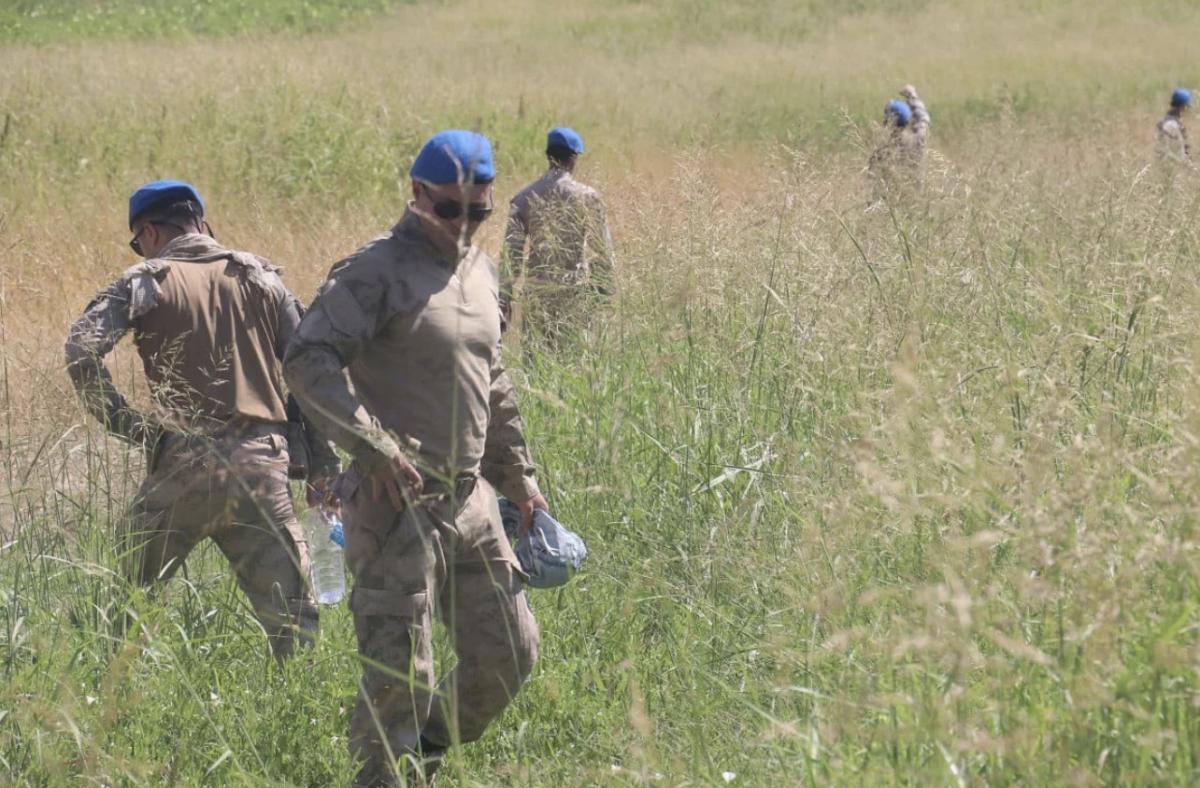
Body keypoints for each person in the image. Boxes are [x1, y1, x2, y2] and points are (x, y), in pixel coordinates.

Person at [283, 130, 547, 786]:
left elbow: (492, 379)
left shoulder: (480, 272)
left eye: (478, 212)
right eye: (449, 209)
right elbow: (307, 358)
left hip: (473, 502)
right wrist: (373, 448)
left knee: (510, 655)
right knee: (400, 682)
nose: (463, 224)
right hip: (397, 507)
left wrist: (518, 480)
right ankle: (388, 774)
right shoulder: (375, 272)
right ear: (417, 194)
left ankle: (421, 756)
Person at [64, 179, 337, 660]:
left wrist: (134, 427)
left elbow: (81, 351)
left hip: (182, 464)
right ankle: (297, 698)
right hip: (261, 466)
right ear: (201, 224)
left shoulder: (145, 281)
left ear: (149, 232)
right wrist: (322, 466)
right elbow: (310, 371)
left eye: (138, 241)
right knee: (294, 622)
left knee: (123, 608)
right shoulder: (262, 279)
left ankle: (109, 694)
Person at [503, 126, 615, 333]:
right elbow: (604, 252)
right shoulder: (587, 198)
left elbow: (511, 257)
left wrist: (504, 299)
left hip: (536, 296)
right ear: (574, 158)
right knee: (576, 352)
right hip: (574, 294)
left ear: (548, 156)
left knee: (536, 353)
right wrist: (602, 293)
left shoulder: (523, 198)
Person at [868, 84, 931, 194]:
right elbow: (923, 118)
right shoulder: (918, 139)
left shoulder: (883, 151)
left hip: (892, 198)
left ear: (887, 123)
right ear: (909, 120)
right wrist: (912, 96)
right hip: (916, 196)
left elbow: (872, 176)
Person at [1156, 88, 1191, 163]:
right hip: (1170, 166)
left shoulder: (1169, 121)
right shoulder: (1171, 125)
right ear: (1184, 107)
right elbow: (1168, 152)